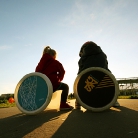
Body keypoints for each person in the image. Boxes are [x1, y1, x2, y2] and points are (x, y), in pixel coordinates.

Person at [75, 41, 120, 109]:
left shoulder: (82, 59)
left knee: (79, 78)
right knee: (109, 74)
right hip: (103, 80)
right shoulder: (103, 55)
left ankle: (78, 101)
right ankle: (114, 99)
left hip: (87, 85)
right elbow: (105, 67)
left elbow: (80, 73)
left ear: (82, 50)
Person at [35, 46, 73, 110]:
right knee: (65, 87)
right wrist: (59, 79)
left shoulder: (40, 64)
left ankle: (37, 104)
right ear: (54, 55)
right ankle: (63, 104)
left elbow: (36, 74)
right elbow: (62, 72)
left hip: (41, 87)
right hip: (53, 85)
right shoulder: (56, 62)